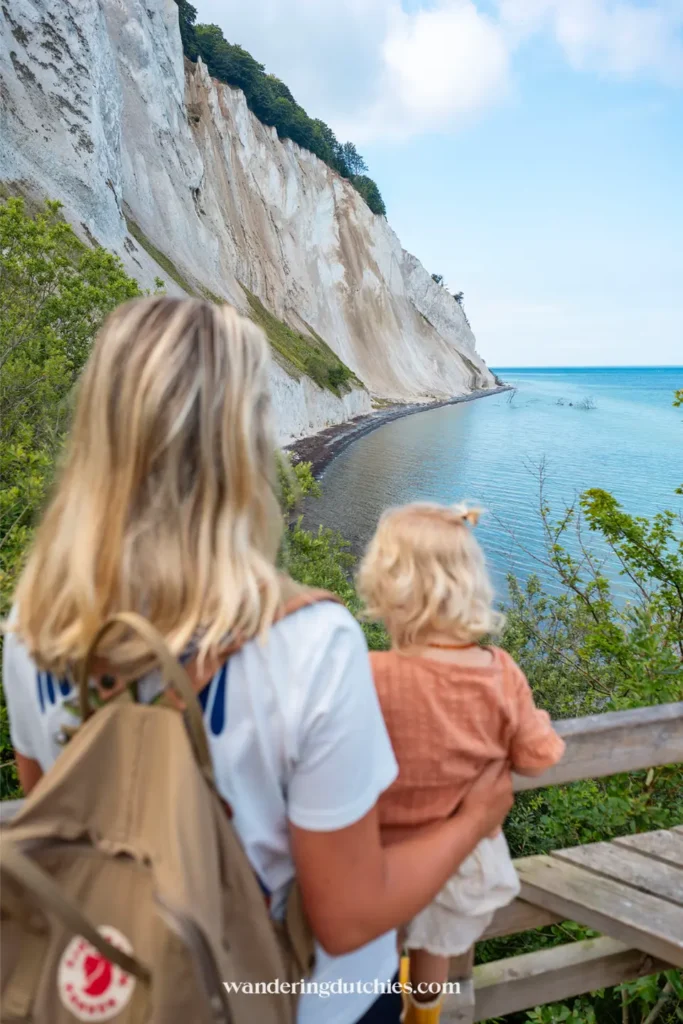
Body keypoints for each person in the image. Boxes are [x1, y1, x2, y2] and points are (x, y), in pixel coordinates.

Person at [2, 297, 513, 1024]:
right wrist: (474, 818)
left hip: (118, 984)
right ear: (240, 441)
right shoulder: (309, 642)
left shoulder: (32, 632)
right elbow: (347, 916)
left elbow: (61, 827)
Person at [357, 502, 566, 1024]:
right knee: (435, 950)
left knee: (380, 949)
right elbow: (538, 757)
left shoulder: (370, 672)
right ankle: (423, 1016)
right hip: (461, 858)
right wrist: (532, 717)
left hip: (378, 857)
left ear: (386, 586)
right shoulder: (499, 672)